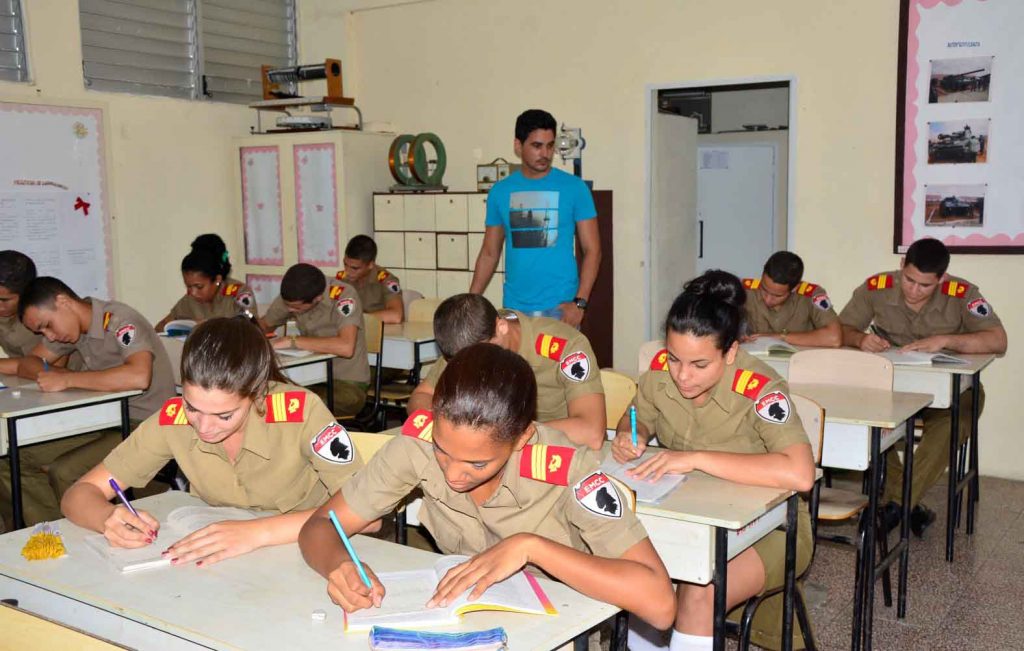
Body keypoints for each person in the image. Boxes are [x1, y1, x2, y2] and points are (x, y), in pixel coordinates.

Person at [298, 343, 675, 629]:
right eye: (443, 452)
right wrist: (340, 564)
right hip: (458, 620)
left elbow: (660, 604)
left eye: (478, 463)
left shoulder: (564, 468)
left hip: (555, 623)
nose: (452, 475)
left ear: (523, 437)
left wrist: (531, 547)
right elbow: (320, 527)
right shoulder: (416, 444)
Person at [612, 270, 815, 651]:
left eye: (699, 365)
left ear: (731, 352)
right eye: (674, 359)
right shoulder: (660, 374)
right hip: (688, 515)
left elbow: (800, 474)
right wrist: (629, 435)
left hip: (770, 528)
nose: (682, 376)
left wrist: (695, 458)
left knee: (699, 592)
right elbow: (635, 418)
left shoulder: (760, 388)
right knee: (641, 580)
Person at [60, 318, 365, 565]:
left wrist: (258, 533)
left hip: (313, 553)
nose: (204, 427)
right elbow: (78, 495)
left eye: (224, 415)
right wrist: (107, 518)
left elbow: (366, 512)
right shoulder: (174, 419)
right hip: (225, 563)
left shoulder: (299, 414)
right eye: (192, 407)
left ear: (257, 394)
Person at [839, 238, 1007, 536]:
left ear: (942, 279)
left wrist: (947, 341)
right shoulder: (876, 287)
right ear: (902, 266)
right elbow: (840, 329)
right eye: (909, 280)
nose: (914, 290)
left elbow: (998, 340)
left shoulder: (963, 294)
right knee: (868, 416)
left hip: (955, 390)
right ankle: (907, 506)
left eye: (925, 286)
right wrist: (859, 339)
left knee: (951, 424)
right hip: (894, 389)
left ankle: (895, 505)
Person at [16, 277, 177, 500]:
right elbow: (28, 363)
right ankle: (49, 530)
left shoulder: (118, 320)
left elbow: (139, 376)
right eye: (41, 333)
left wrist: (69, 379)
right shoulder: (72, 330)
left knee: (64, 472)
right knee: (16, 459)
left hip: (147, 425)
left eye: (47, 326)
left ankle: (88, 525)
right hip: (104, 421)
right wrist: (50, 373)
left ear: (63, 302)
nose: (50, 336)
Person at [406, 294, 605, 449]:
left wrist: (502, 436)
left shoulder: (564, 345)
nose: (475, 369)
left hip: (554, 452)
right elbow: (421, 397)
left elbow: (591, 432)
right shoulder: (467, 341)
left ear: (501, 327)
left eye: (481, 358)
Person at [468, 109, 601, 327]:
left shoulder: (574, 188)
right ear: (518, 146)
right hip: (514, 311)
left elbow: (593, 250)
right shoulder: (500, 192)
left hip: (561, 310)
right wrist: (471, 301)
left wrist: (580, 303)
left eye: (550, 146)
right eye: (537, 146)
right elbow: (490, 252)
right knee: (514, 363)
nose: (545, 154)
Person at [0, 252, 90, 527]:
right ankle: (21, 532)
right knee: (5, 458)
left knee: (11, 459)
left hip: (69, 406)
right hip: (35, 397)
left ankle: (49, 533)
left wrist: (22, 366)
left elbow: (42, 367)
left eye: (5, 300)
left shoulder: (52, 323)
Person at [259, 264, 371, 417]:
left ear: (318, 298)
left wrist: (293, 340)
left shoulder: (343, 295)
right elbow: (265, 325)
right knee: (263, 398)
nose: (290, 310)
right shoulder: (293, 296)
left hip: (346, 384)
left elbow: (346, 347)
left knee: (286, 406)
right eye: (288, 306)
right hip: (309, 379)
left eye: (297, 308)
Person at [155, 234, 257, 333]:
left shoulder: (239, 292)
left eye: (199, 287)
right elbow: (159, 328)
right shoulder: (189, 300)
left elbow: (253, 330)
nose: (193, 292)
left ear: (217, 279)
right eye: (188, 286)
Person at [741, 251, 841, 348]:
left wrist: (780, 337)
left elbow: (834, 338)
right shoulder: (746, 290)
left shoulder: (810, 295)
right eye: (764, 290)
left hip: (800, 360)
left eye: (777, 296)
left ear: (795, 288)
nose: (767, 299)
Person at [335, 235, 404, 324]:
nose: (347, 271)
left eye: (355, 268)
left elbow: (396, 316)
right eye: (345, 264)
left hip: (380, 333)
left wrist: (356, 319)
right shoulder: (341, 279)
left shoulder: (386, 279)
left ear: (370, 265)